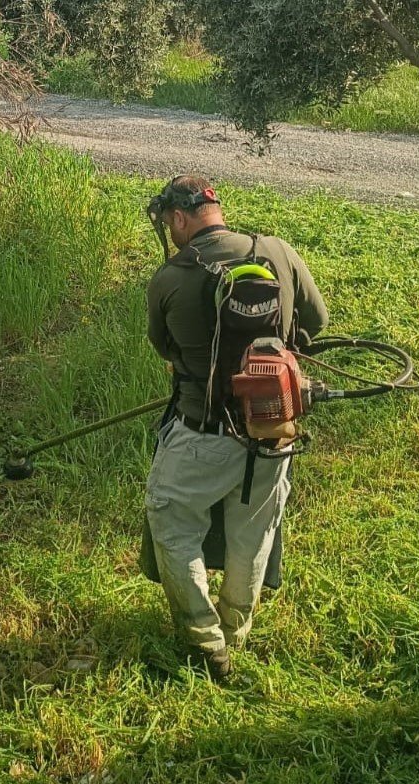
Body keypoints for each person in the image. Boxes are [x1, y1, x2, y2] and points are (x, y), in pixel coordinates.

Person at [144, 174, 329, 681]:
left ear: (179, 218)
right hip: (272, 431)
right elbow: (316, 321)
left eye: (169, 224)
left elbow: (164, 348)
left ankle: (205, 640)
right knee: (253, 533)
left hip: (199, 434)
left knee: (173, 523)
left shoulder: (170, 277)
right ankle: (234, 628)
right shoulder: (277, 252)